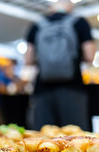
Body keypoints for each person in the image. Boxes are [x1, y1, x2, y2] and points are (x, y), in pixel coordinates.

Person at [25, 0, 96, 130]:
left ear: (51, 8)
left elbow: (28, 60)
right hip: (73, 88)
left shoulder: (37, 25)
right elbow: (89, 56)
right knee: (76, 137)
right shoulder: (79, 22)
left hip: (43, 89)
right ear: (70, 7)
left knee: (42, 139)